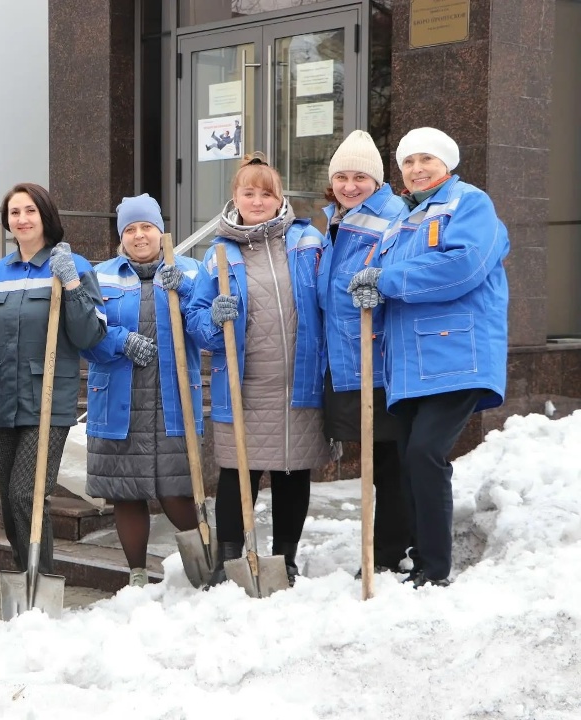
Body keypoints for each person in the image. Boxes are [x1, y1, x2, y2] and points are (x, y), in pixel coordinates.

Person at [347, 127, 509, 588]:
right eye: (409, 162)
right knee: (408, 459)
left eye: (426, 160)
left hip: (456, 354)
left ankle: (436, 569)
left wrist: (387, 279)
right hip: (411, 363)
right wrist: (366, 285)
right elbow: (379, 275)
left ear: (447, 164)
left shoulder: (468, 203)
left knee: (424, 454)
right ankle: (419, 560)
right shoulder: (403, 222)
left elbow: (463, 266)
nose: (417, 170)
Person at [0, 183, 107, 575]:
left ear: (45, 215)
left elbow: (89, 335)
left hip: (47, 401)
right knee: (11, 502)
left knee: (28, 494)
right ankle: (26, 575)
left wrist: (73, 286)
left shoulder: (72, 265)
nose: (22, 219)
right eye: (14, 212)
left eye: (30, 210)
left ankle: (40, 581)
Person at [201, 155, 330, 588]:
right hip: (243, 384)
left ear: (281, 199)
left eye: (266, 193)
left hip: (299, 380)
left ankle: (285, 559)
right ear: (235, 197)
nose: (257, 201)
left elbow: (329, 299)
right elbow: (197, 319)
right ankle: (229, 559)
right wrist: (212, 320)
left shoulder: (307, 241)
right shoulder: (219, 252)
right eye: (248, 192)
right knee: (238, 473)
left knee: (293, 472)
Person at [83, 194, 214, 587]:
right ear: (121, 236)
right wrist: (119, 342)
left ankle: (208, 566)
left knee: (177, 490)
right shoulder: (100, 274)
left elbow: (203, 331)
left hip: (171, 400)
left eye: (147, 227)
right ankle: (137, 575)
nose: (139, 235)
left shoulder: (188, 270)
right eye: (130, 229)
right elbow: (85, 333)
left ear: (161, 230)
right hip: (118, 400)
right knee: (126, 492)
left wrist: (189, 294)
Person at [317, 130, 411, 575]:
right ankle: (392, 546)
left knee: (390, 459)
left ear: (377, 181)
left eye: (360, 177)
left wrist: (383, 283)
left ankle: (391, 552)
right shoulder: (336, 220)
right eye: (341, 176)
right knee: (381, 459)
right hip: (349, 356)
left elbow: (404, 273)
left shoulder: (393, 215)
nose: (350, 185)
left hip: (381, 356)